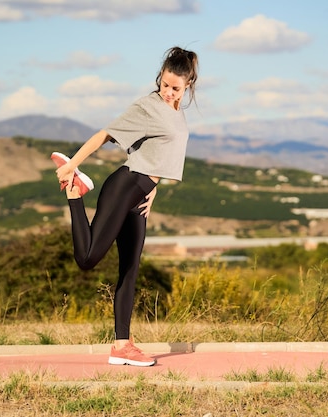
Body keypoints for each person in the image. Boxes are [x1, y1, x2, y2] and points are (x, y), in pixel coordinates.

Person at [52, 46, 199, 367]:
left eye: (175, 87)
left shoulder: (177, 111)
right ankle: (75, 192)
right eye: (164, 84)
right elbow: (106, 134)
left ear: (188, 85)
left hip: (140, 194)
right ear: (159, 78)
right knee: (88, 259)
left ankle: (122, 345)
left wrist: (153, 192)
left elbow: (159, 156)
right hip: (125, 186)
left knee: (130, 270)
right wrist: (73, 163)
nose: (168, 92)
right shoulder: (148, 106)